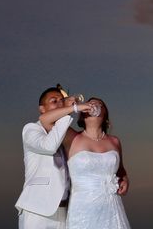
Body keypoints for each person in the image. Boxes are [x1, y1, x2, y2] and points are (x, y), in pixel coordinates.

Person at [45, 97, 131, 228]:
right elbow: (45, 120)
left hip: (112, 207)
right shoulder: (72, 138)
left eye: (99, 104)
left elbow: (120, 170)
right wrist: (74, 108)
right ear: (82, 114)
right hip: (83, 210)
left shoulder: (114, 141)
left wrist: (125, 179)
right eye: (90, 103)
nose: (94, 105)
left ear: (105, 116)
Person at [15, 87, 93, 229]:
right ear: (42, 109)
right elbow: (48, 146)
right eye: (54, 101)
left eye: (62, 101)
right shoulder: (31, 129)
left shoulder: (65, 134)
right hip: (37, 210)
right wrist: (70, 111)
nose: (59, 103)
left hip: (65, 212)